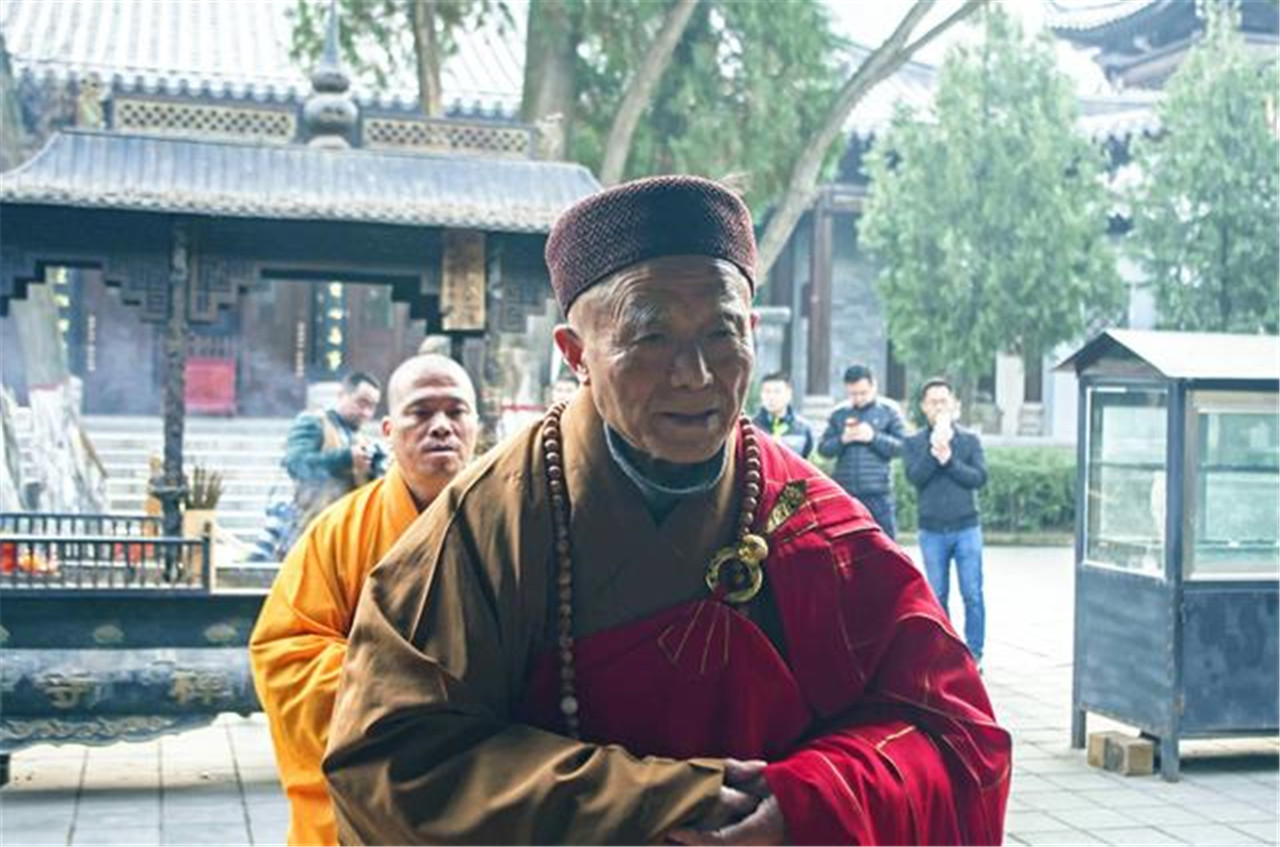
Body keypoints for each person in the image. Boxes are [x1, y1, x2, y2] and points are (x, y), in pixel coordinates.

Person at [323, 176, 1010, 845]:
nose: (696, 375)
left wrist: (807, 803)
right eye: (651, 338)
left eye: (721, 334)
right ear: (576, 354)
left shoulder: (811, 522)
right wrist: (657, 803)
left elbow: (955, 735)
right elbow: (387, 764)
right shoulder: (486, 527)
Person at [249, 354, 479, 846]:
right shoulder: (338, 532)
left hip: (487, 781)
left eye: (455, 411)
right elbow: (285, 654)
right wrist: (416, 696)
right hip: (367, 794)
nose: (441, 427)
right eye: (421, 413)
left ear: (477, 426)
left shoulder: (518, 523)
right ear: (390, 431)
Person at [903, 377, 989, 668]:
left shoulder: (969, 440)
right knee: (937, 595)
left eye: (944, 401)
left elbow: (979, 478)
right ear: (924, 407)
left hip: (967, 527)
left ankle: (974, 653)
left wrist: (950, 459)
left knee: (972, 593)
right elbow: (915, 477)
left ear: (954, 405)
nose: (939, 406)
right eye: (933, 402)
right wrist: (933, 450)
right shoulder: (914, 442)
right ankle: (946, 655)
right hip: (932, 531)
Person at [818, 364, 906, 538]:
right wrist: (842, 440)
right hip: (846, 493)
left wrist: (873, 437)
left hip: (878, 493)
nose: (858, 398)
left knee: (886, 548)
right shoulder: (840, 413)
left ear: (874, 386)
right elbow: (823, 449)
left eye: (863, 393)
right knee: (847, 547)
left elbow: (902, 447)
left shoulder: (889, 411)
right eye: (853, 394)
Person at [750, 372, 814, 459]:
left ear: (789, 394)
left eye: (777, 392)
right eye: (767, 392)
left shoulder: (803, 428)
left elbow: (806, 459)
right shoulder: (751, 427)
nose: (771, 397)